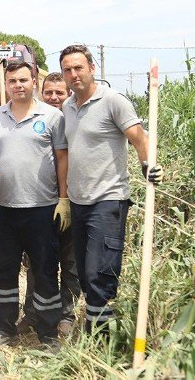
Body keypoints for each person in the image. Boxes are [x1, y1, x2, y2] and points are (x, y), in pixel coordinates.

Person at [59, 44, 162, 332]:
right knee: (83, 272)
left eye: (79, 67)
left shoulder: (113, 101)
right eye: (68, 69)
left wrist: (147, 166)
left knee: (100, 273)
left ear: (92, 68)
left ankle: (101, 338)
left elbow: (140, 137)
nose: (73, 74)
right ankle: (93, 330)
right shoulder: (68, 107)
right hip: (79, 202)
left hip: (108, 201)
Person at [0, 63, 68, 350]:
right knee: (4, 272)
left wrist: (64, 198)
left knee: (45, 271)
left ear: (34, 81)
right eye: (12, 80)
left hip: (42, 208)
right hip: (4, 208)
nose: (18, 85)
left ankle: (47, 334)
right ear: (5, 84)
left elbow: (61, 158)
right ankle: (5, 328)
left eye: (23, 79)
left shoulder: (52, 116)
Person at [19, 71, 81, 336]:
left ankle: (66, 315)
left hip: (74, 202)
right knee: (38, 262)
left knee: (70, 262)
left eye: (60, 92)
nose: (54, 97)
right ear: (41, 92)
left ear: (68, 94)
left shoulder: (75, 120)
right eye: (49, 92)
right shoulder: (38, 119)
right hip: (41, 203)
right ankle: (32, 314)